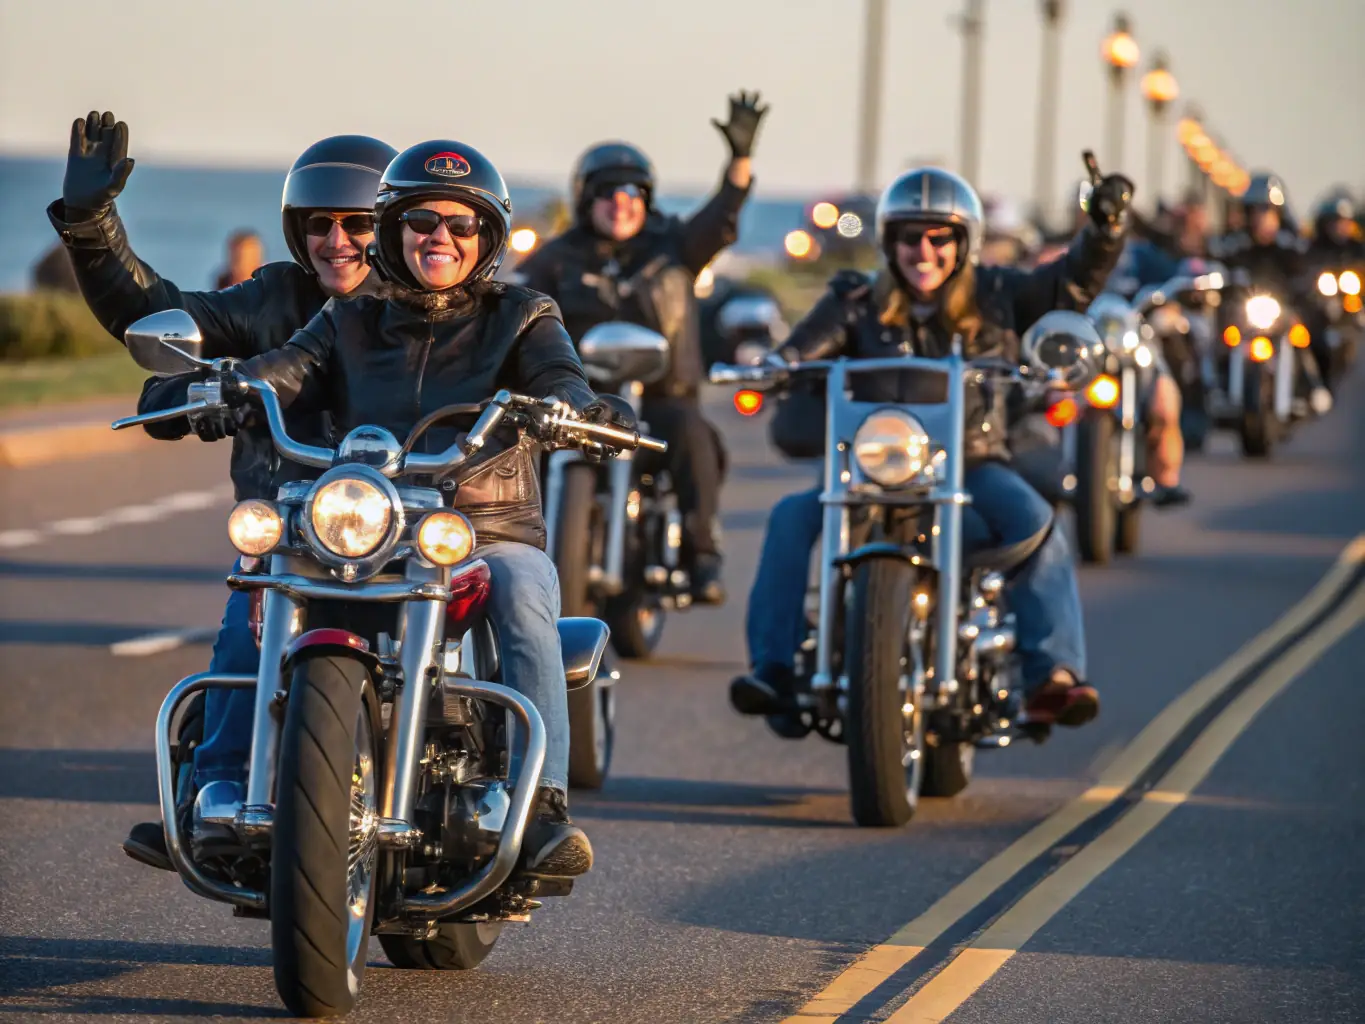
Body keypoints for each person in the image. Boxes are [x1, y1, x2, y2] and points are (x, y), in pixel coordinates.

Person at [225, 140, 635, 878]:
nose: (438, 236)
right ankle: (225, 786)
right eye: (420, 220)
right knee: (262, 580)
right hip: (369, 523)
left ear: (486, 238)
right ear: (392, 228)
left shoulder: (522, 314)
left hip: (485, 527)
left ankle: (540, 808)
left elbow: (560, 375)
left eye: (460, 223)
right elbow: (289, 366)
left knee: (523, 595)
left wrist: (579, 410)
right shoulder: (350, 316)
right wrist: (232, 386)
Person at [46, 110, 397, 871]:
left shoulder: (433, 309)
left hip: (411, 524)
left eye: (357, 223)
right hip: (298, 527)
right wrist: (90, 221)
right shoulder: (272, 298)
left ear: (392, 224)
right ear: (296, 230)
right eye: (318, 224)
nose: (336, 241)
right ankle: (218, 800)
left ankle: (516, 793)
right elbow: (157, 316)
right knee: (250, 622)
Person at [731, 165, 1134, 736]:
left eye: (938, 237)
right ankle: (775, 668)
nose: (923, 250)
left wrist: (1105, 231)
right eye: (909, 236)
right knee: (789, 518)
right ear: (889, 242)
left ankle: (1053, 675)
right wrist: (778, 366)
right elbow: (805, 345)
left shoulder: (1000, 294)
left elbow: (1072, 283)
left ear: (962, 242)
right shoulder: (857, 300)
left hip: (971, 461)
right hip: (869, 465)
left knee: (1038, 522)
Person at [514, 91, 768, 606]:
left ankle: (701, 553)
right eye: (608, 192)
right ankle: (522, 550)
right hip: (581, 400)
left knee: (696, 439)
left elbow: (720, 219)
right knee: (521, 448)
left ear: (647, 198)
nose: (621, 201)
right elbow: (515, 299)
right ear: (587, 199)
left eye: (633, 191)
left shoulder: (672, 247)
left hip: (662, 397)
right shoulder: (559, 257)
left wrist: (739, 162)